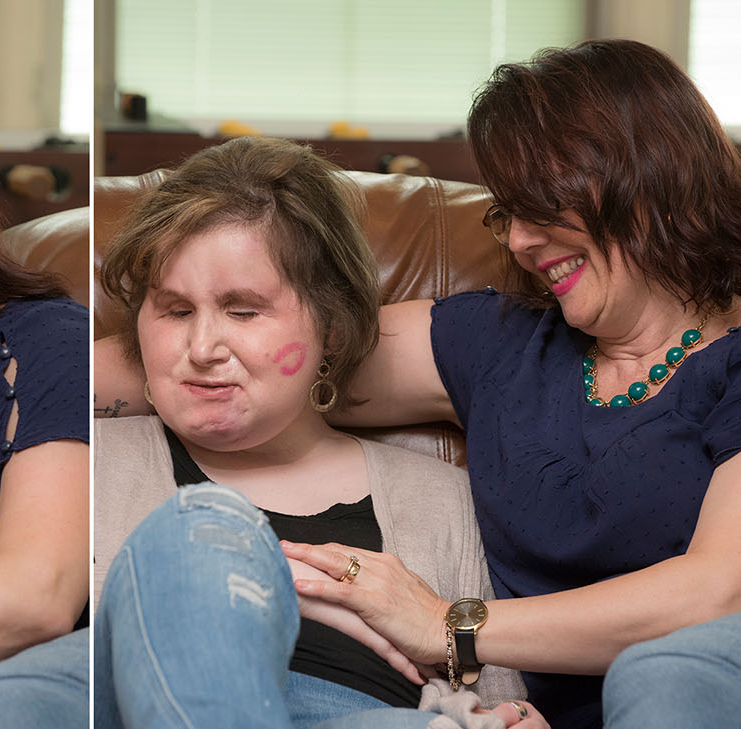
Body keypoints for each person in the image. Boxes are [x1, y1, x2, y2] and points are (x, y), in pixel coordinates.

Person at [97, 39, 741, 729]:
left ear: (643, 178)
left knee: (665, 670)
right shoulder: (497, 344)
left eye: (541, 206)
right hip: (511, 713)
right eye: (508, 212)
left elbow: (716, 591)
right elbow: (290, 346)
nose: (520, 240)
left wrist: (448, 625)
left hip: (676, 693)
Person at [91, 135, 535, 729]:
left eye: (243, 311)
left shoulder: (443, 499)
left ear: (331, 327)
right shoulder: (85, 463)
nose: (200, 349)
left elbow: (502, 694)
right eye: (175, 311)